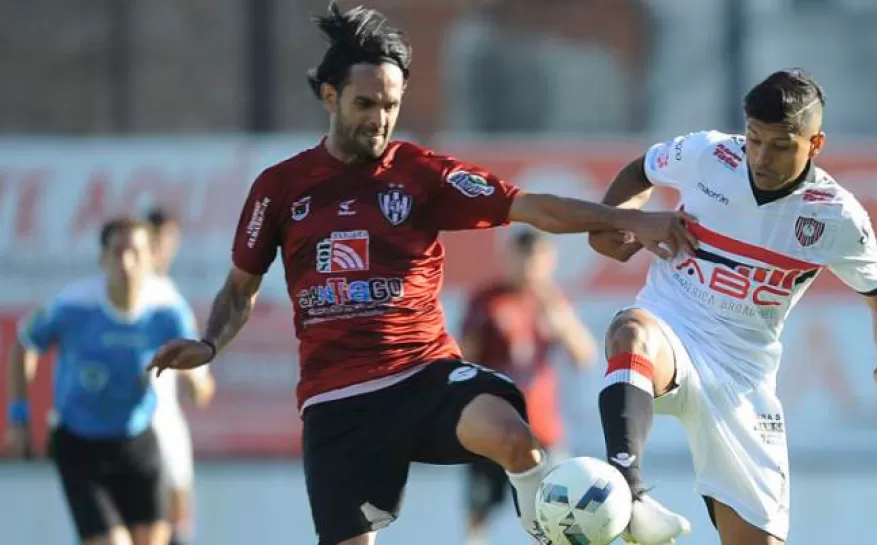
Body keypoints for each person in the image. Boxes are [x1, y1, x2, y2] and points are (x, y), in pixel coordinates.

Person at [146, 3, 696, 545]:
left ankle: (548, 530)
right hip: (337, 402)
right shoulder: (280, 187)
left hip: (423, 375)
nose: (380, 119)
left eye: (391, 105)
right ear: (330, 96)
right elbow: (239, 291)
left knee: (516, 439)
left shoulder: (421, 175)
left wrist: (628, 218)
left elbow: (535, 208)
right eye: (365, 104)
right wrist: (209, 343)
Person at [589, 68, 877, 545]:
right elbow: (641, 170)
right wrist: (626, 223)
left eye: (780, 145)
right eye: (753, 139)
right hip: (672, 328)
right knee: (630, 331)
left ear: (815, 144)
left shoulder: (835, 214)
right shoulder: (707, 154)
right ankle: (630, 496)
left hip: (743, 377)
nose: (760, 157)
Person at [5, 218, 198, 545]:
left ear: (152, 257)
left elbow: (200, 381)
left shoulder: (168, 311)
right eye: (117, 252)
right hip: (80, 445)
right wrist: (19, 417)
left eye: (135, 252)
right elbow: (24, 345)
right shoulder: (73, 305)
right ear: (102, 258)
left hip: (138, 443)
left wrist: (197, 381)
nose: (126, 262)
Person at [459, 229, 596, 544]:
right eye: (523, 260)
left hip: (543, 430)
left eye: (538, 261)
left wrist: (561, 323)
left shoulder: (553, 302)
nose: (530, 269)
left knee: (556, 512)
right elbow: (465, 359)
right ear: (510, 259)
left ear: (549, 262)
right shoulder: (487, 300)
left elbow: (584, 356)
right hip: (494, 428)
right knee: (480, 508)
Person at [145, 208, 216, 545]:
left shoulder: (167, 293)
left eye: (169, 243)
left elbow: (199, 386)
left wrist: (198, 381)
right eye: (157, 242)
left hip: (163, 418)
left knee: (176, 512)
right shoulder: (156, 297)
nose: (163, 251)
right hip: (141, 424)